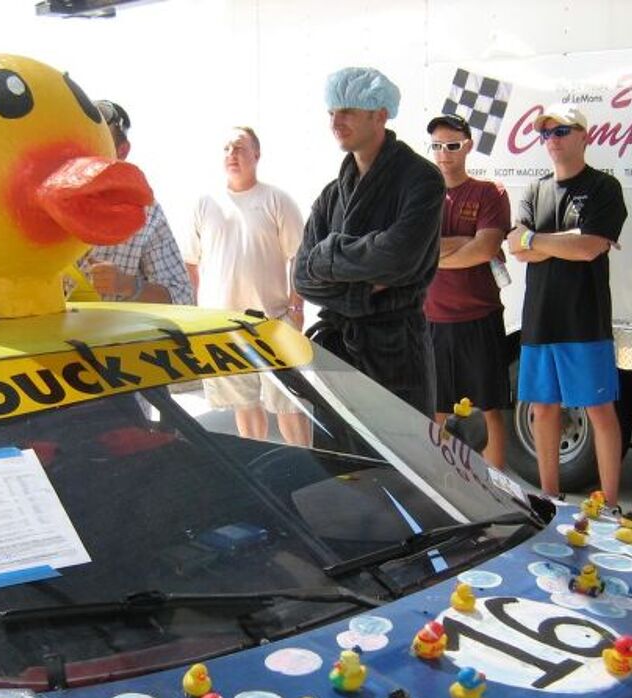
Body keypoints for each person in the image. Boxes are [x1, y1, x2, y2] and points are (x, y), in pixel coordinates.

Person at [294, 66, 445, 418]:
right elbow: (301, 277)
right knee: (338, 451)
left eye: (347, 111)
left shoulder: (422, 180)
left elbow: (398, 257)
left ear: (380, 115)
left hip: (395, 352)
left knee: (401, 448)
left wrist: (328, 256)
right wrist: (366, 287)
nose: (335, 122)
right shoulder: (332, 194)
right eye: (331, 112)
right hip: (338, 354)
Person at [507, 103, 627, 505]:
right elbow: (516, 248)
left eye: (562, 131)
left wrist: (536, 240)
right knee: (542, 410)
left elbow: (589, 248)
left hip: (584, 321)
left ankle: (610, 506)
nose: (552, 139)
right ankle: (549, 499)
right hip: (539, 321)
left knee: (599, 410)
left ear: (584, 137)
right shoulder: (534, 190)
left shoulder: (604, 188)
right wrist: (565, 241)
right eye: (546, 133)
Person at [184, 126, 309, 445]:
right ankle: (259, 470)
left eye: (239, 147)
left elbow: (300, 256)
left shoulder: (277, 199)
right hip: (223, 327)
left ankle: (306, 464)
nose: (232, 154)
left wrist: (296, 307)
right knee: (245, 405)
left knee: (289, 404)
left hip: (272, 321)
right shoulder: (205, 203)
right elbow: (191, 263)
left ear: (257, 154)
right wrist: (200, 314)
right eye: (227, 148)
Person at [424, 114, 511, 468]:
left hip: (479, 319)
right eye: (437, 146)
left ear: (468, 147)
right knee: (434, 412)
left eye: (452, 145)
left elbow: (485, 249)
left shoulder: (489, 192)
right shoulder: (421, 197)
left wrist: (431, 254)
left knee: (489, 410)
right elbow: (410, 251)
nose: (444, 153)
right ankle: (438, 488)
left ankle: (497, 491)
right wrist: (463, 242)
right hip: (431, 321)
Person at [75, 100, 193, 305]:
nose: (88, 150)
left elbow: (182, 297)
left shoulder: (147, 212)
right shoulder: (38, 202)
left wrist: (128, 285)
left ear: (122, 151)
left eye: (99, 140)